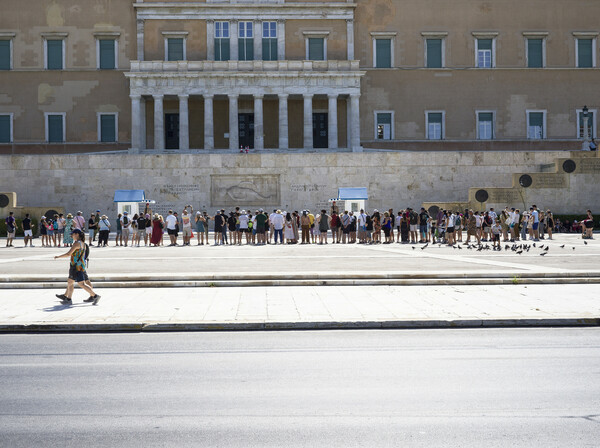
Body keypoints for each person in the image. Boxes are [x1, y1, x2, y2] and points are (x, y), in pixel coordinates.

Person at [54, 229, 100, 305]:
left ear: (77, 234)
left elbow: (69, 254)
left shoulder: (76, 244)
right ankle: (68, 299)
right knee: (70, 282)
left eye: (73, 234)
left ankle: (95, 296)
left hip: (76, 266)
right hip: (80, 266)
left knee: (80, 284)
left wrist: (59, 257)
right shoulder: (83, 244)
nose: (71, 236)